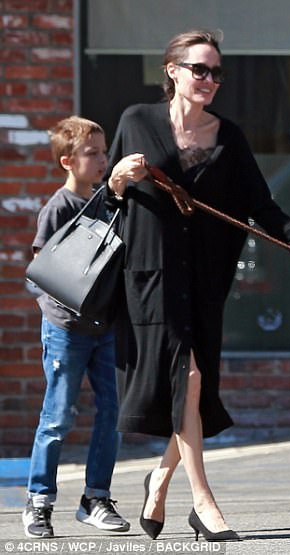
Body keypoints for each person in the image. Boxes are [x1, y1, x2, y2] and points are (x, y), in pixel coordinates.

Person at [105, 29, 290, 542]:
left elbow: (265, 212)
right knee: (189, 376)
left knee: (192, 385)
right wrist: (118, 178)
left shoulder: (229, 138)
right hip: (152, 279)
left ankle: (158, 480)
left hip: (206, 282)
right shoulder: (136, 121)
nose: (209, 80)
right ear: (172, 71)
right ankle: (203, 502)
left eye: (217, 73)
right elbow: (109, 203)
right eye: (199, 69)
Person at [23, 116, 130, 538]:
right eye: (92, 154)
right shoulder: (60, 207)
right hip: (66, 330)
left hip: (106, 328)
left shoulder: (109, 202)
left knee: (113, 412)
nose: (102, 160)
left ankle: (95, 498)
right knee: (58, 416)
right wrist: (62, 312)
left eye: (105, 153)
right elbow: (42, 271)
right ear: (67, 161)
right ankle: (38, 501)